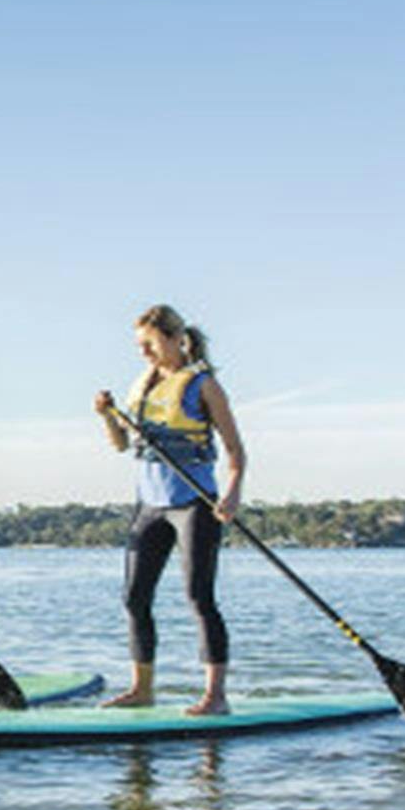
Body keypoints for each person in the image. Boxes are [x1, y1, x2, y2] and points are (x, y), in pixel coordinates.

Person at [92, 303, 247, 716]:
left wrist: (231, 494)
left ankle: (215, 696)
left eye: (150, 343)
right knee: (134, 597)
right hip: (150, 505)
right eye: (139, 345)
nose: (143, 352)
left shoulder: (204, 386)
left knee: (199, 597)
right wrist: (107, 417)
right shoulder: (142, 387)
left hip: (195, 505)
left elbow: (235, 453)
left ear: (177, 340)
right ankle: (142, 689)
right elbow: (122, 445)